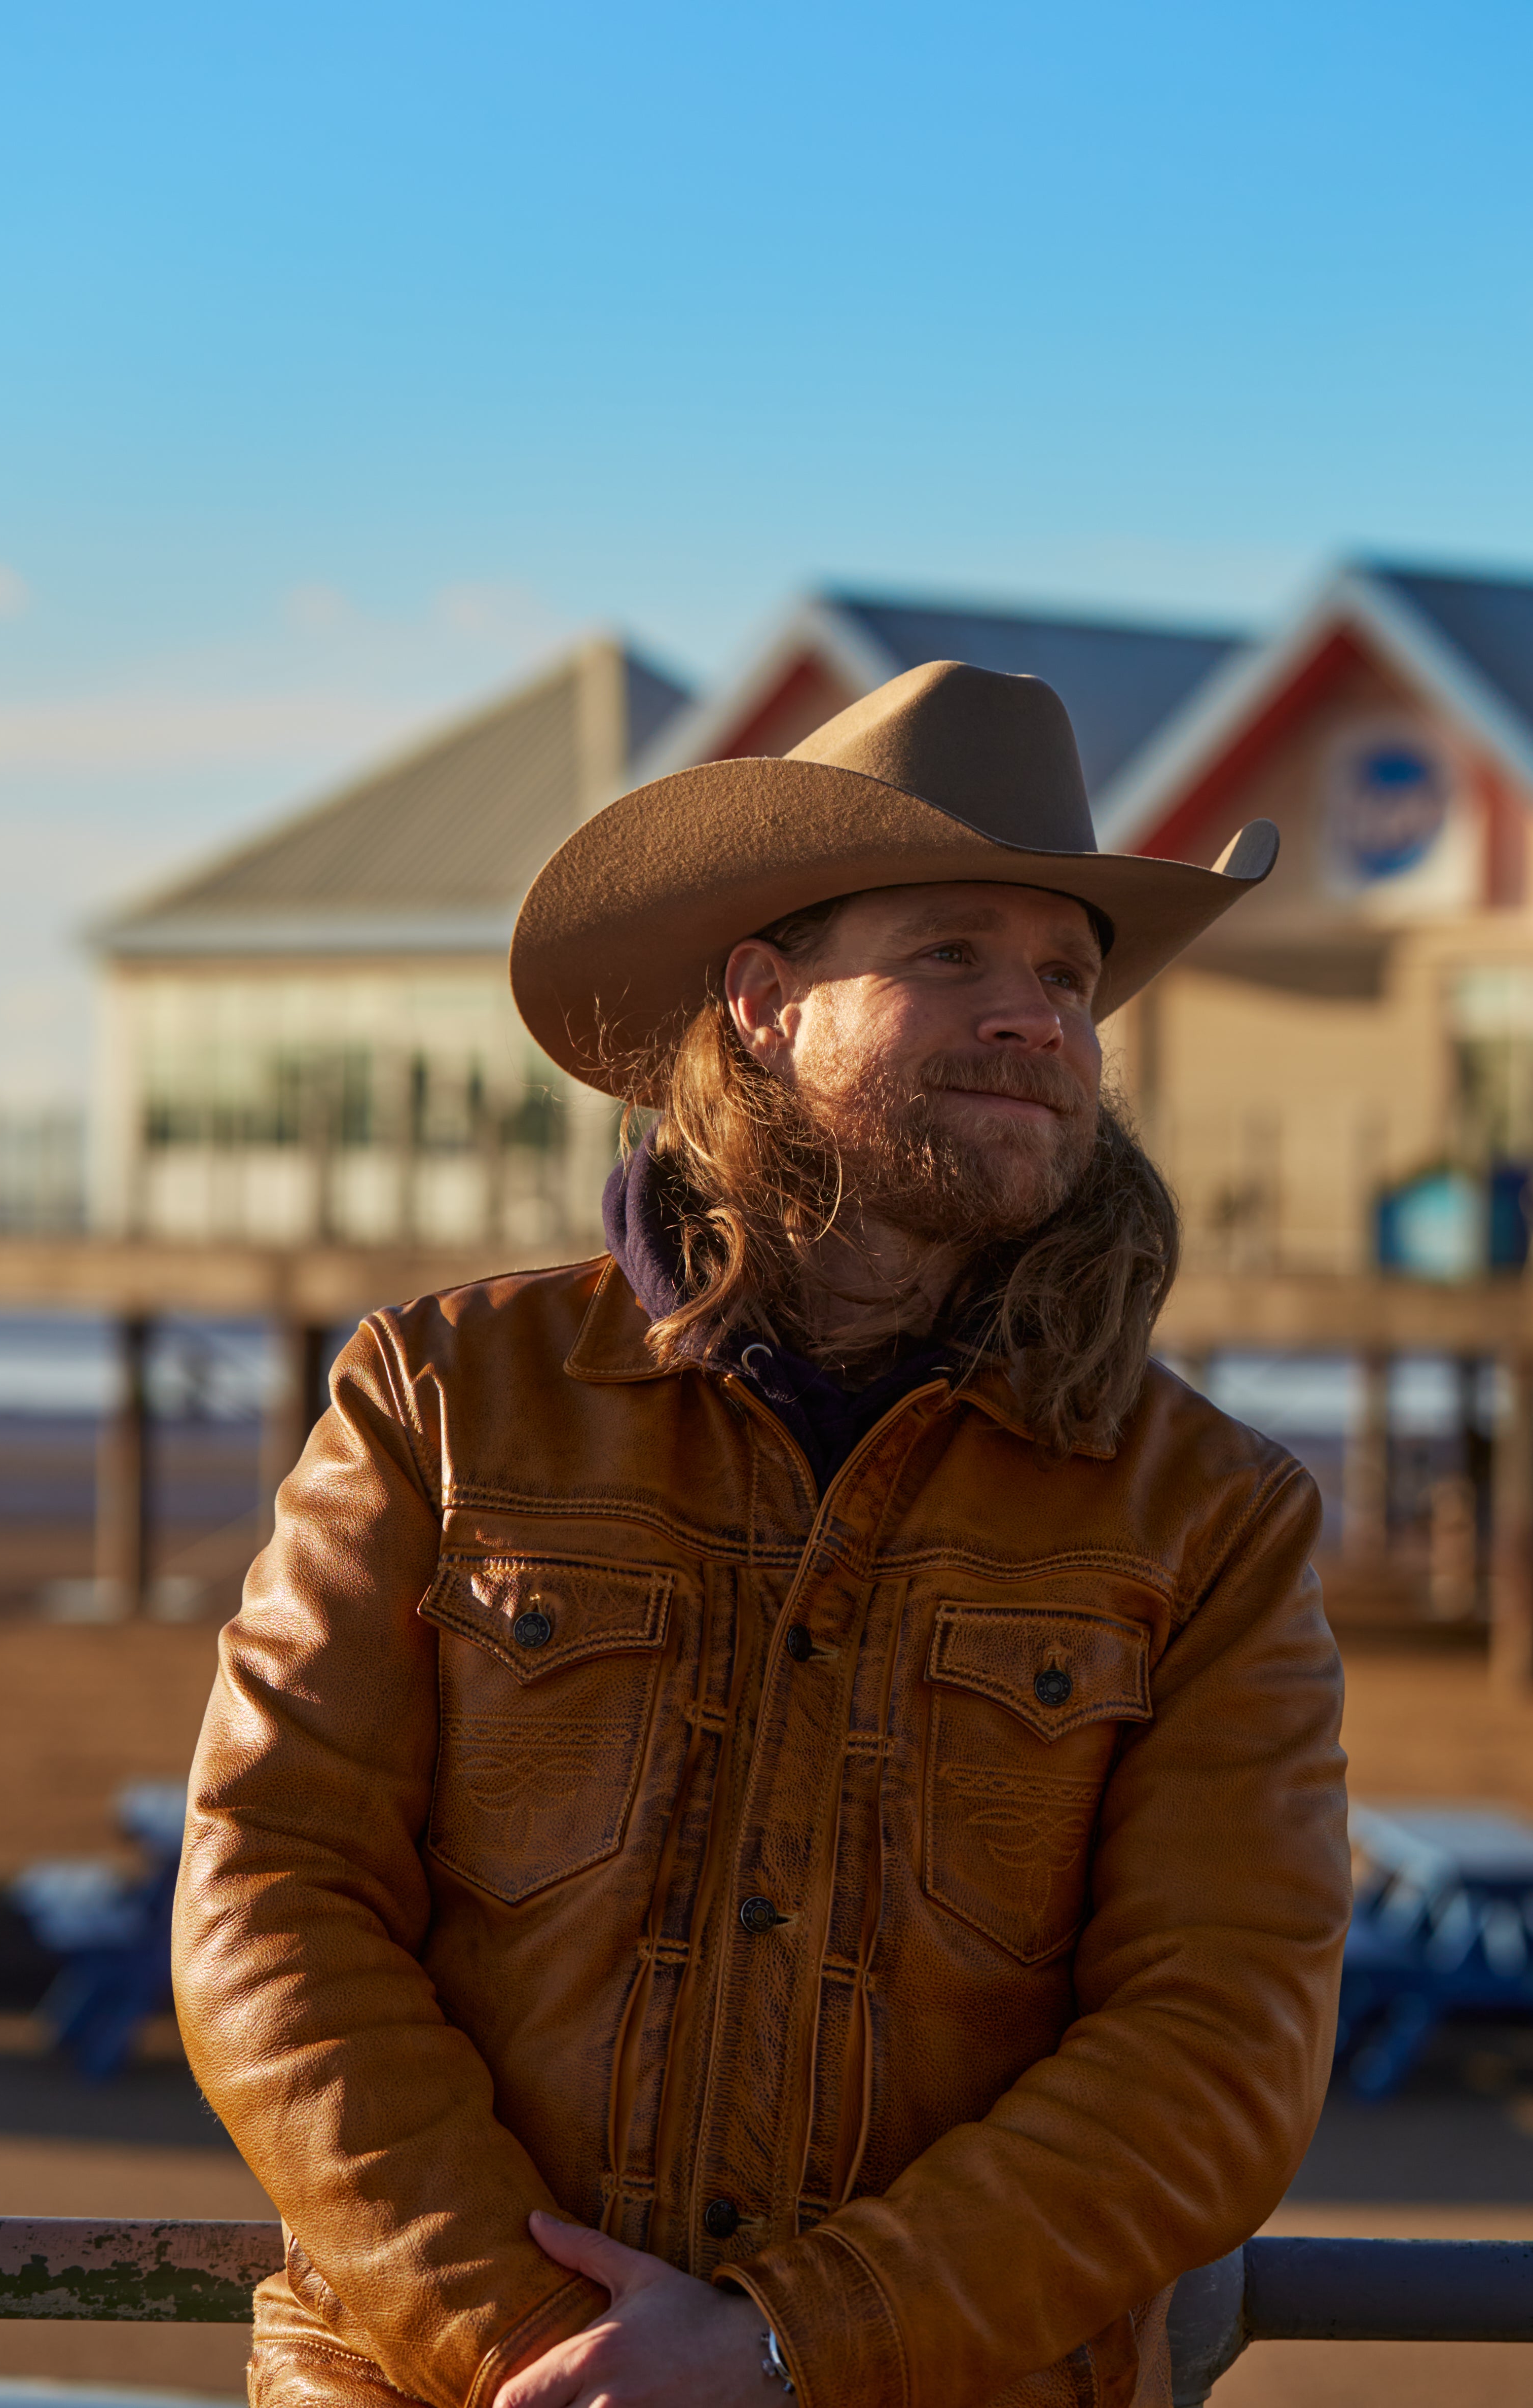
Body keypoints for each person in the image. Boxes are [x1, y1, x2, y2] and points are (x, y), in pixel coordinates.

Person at [173, 662, 1350, 2408]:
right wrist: (544, 2351)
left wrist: (793, 2348)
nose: (1034, 1018)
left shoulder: (1210, 1517)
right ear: (760, 1002)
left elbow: (1218, 2043)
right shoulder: (439, 1402)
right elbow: (270, 1901)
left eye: (1066, 976)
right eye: (954, 954)